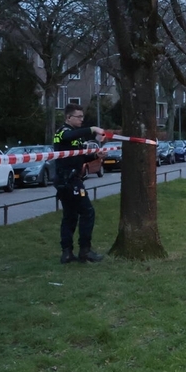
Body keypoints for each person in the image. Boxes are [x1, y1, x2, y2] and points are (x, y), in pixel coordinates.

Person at [53, 104, 106, 264]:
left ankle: (68, 253)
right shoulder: (62, 132)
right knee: (87, 212)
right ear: (69, 117)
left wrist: (96, 155)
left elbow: (80, 157)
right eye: (79, 117)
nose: (82, 119)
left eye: (83, 117)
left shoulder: (77, 137)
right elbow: (68, 138)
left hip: (72, 178)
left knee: (70, 216)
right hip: (68, 180)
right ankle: (85, 250)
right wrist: (92, 129)